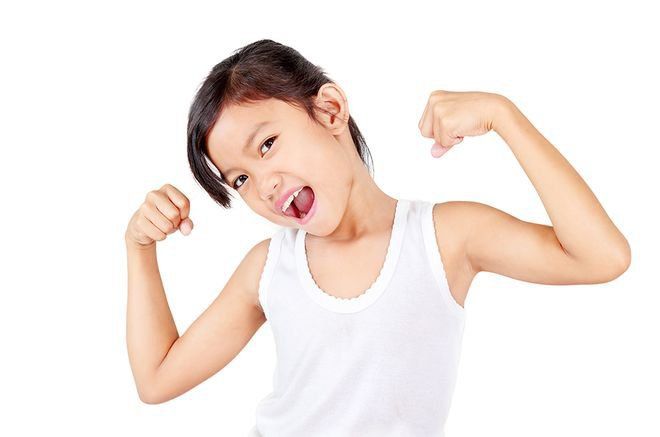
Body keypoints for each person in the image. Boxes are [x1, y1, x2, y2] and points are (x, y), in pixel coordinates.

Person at [124, 39, 631, 436]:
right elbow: (157, 378)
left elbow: (601, 257)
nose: (264, 185)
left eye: (268, 144)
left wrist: (504, 116)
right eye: (239, 179)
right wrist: (139, 248)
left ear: (330, 110)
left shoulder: (443, 238)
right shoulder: (270, 267)